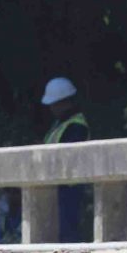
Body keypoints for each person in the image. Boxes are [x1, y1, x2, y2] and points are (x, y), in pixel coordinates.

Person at [41, 77, 91, 242]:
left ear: (63, 102)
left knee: (68, 232)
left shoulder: (76, 126)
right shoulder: (61, 123)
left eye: (54, 104)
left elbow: (68, 155)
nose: (51, 108)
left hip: (70, 187)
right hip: (57, 185)